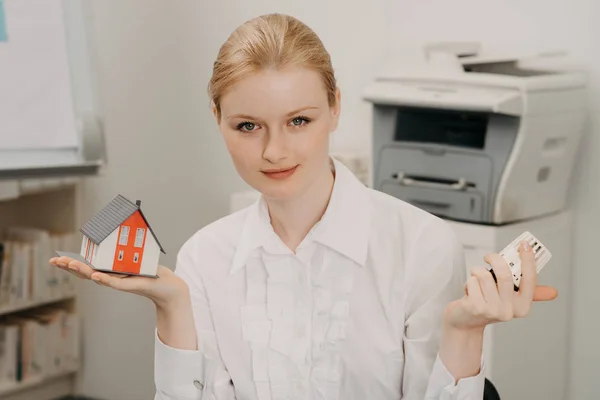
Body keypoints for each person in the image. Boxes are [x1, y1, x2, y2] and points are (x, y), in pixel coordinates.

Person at [49, 13, 558, 400]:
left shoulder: (421, 246)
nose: (273, 151)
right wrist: (173, 304)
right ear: (218, 118)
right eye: (247, 126)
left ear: (334, 107)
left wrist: (465, 331)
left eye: (299, 121)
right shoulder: (204, 257)